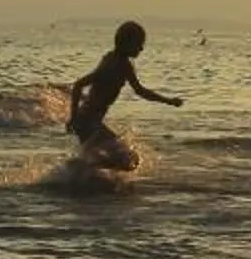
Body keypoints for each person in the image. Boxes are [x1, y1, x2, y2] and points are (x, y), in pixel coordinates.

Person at [67, 19, 183, 170]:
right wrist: (73, 117)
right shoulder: (115, 64)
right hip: (87, 122)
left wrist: (168, 101)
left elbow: (140, 91)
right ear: (126, 42)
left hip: (89, 121)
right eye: (139, 43)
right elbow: (78, 85)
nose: (141, 48)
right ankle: (79, 170)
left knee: (121, 160)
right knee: (129, 160)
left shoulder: (119, 61)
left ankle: (82, 175)